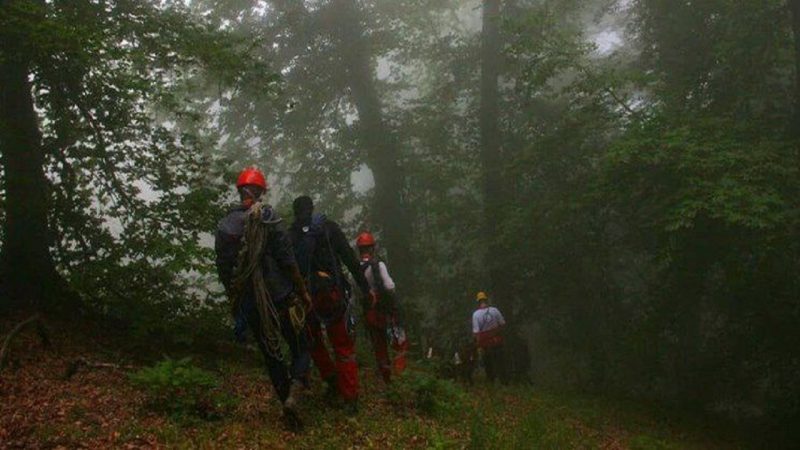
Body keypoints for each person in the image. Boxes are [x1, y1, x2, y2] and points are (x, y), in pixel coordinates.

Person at [214, 167, 313, 432]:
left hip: (252, 304)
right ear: (260, 192)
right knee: (301, 345)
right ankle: (296, 388)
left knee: (272, 356)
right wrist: (302, 291)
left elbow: (225, 270)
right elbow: (287, 260)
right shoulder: (267, 216)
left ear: (240, 190)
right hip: (279, 297)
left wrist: (236, 303)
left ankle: (287, 405)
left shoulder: (225, 225)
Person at [289, 195, 370, 414]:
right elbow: (350, 259)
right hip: (331, 294)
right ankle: (350, 398)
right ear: (312, 209)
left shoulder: (292, 234)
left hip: (306, 297)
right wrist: (365, 288)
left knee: (314, 342)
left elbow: (287, 267)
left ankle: (332, 381)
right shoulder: (328, 228)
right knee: (343, 346)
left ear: (296, 212)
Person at [356, 231, 408, 384]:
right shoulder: (378, 265)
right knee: (400, 341)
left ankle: (386, 378)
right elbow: (390, 286)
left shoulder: (356, 270)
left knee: (379, 346)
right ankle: (401, 376)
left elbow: (356, 293)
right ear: (372, 248)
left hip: (369, 313)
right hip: (386, 312)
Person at [472, 291, 506, 382]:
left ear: (478, 302)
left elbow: (476, 332)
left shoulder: (476, 314)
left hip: (485, 343)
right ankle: (503, 379)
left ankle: (490, 380)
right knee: (501, 361)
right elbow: (502, 324)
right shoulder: (495, 310)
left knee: (487, 362)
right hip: (497, 340)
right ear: (486, 300)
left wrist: (478, 345)